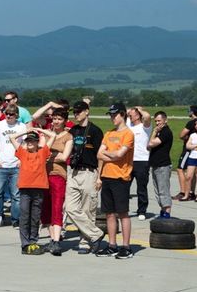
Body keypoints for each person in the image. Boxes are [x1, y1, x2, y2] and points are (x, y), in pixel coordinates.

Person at [64, 100, 105, 252]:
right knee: (70, 207)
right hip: (74, 171)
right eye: (74, 112)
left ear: (87, 111)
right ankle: (96, 234)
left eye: (79, 111)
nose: (76, 114)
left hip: (90, 172)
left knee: (88, 209)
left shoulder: (95, 131)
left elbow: (100, 156)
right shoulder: (72, 131)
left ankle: (85, 241)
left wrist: (99, 177)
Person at [97, 103, 135, 258]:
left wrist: (110, 154)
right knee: (109, 213)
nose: (112, 117)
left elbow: (120, 154)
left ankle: (126, 246)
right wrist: (112, 154)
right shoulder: (108, 133)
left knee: (123, 213)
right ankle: (112, 244)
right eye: (111, 115)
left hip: (121, 177)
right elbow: (99, 154)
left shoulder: (128, 134)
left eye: (115, 115)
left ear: (123, 114)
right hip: (107, 175)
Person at [10, 129, 52, 254]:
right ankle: (25, 243)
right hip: (25, 188)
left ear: (37, 143)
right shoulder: (22, 152)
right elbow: (12, 137)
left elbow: (53, 136)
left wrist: (39, 131)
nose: (29, 143)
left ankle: (33, 241)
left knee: (35, 216)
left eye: (32, 141)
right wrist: (26, 132)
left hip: (39, 188)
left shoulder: (42, 152)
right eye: (28, 141)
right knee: (24, 215)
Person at [0, 105, 28, 228]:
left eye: (11, 114)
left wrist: (22, 159)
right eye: (7, 114)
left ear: (16, 115)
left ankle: (16, 219)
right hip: (2, 164)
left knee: (16, 195)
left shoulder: (21, 126)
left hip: (16, 164)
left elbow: (25, 143)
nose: (9, 116)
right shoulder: (0, 125)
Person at [41, 113, 72, 255]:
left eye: (59, 119)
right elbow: (41, 152)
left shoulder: (68, 137)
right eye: (54, 119)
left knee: (57, 206)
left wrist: (50, 154)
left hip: (58, 174)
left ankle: (57, 240)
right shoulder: (47, 135)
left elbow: (64, 157)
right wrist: (53, 154)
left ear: (65, 121)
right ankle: (52, 239)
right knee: (46, 208)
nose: (56, 121)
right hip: (43, 175)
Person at [147, 111, 174, 220]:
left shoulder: (165, 132)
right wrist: (154, 132)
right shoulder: (159, 132)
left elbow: (151, 144)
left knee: (163, 191)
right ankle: (163, 210)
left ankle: (167, 213)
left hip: (163, 165)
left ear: (165, 120)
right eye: (156, 121)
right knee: (158, 191)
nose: (157, 123)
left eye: (159, 121)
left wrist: (153, 132)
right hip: (155, 165)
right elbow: (148, 147)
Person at [128, 107, 152, 219]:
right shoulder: (128, 126)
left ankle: (142, 210)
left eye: (132, 115)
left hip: (142, 160)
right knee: (124, 186)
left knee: (141, 187)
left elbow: (147, 117)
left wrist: (139, 109)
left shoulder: (144, 126)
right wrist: (130, 111)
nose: (129, 116)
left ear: (138, 116)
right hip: (129, 160)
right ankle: (123, 209)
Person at [176, 105, 197, 201]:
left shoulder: (191, 122)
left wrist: (185, 138)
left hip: (188, 149)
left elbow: (181, 135)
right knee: (193, 171)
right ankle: (191, 192)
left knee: (180, 168)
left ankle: (183, 191)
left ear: (192, 112)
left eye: (188, 111)